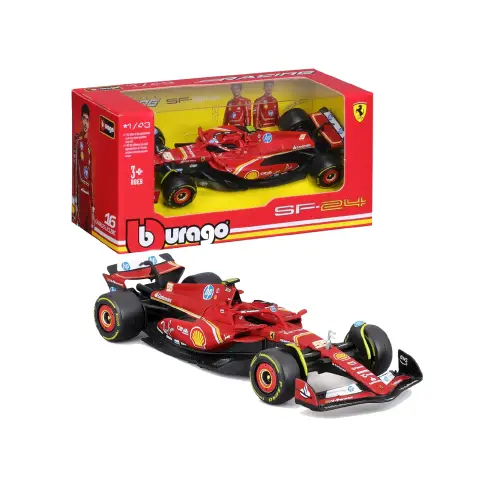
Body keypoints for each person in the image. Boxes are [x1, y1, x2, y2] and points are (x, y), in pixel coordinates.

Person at [73, 103, 94, 232]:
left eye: (88, 120)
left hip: (89, 197)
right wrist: (73, 197)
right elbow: (74, 168)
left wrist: (93, 204)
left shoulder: (90, 146)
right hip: (80, 192)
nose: (85, 123)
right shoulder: (77, 141)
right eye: (84, 119)